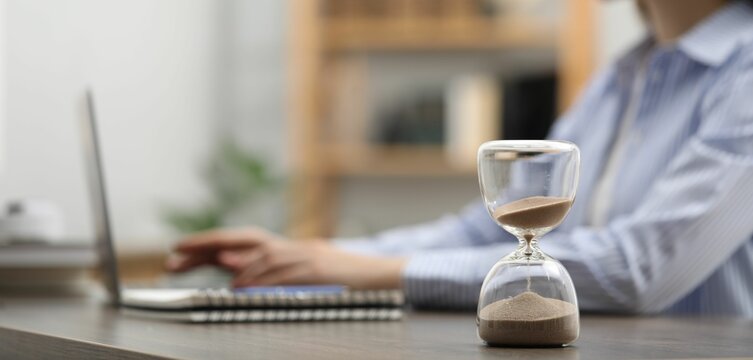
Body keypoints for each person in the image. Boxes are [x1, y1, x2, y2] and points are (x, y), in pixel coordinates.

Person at [167, 0, 753, 317]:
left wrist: (376, 272)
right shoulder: (621, 77)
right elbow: (486, 226)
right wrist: (321, 256)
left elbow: (640, 269)